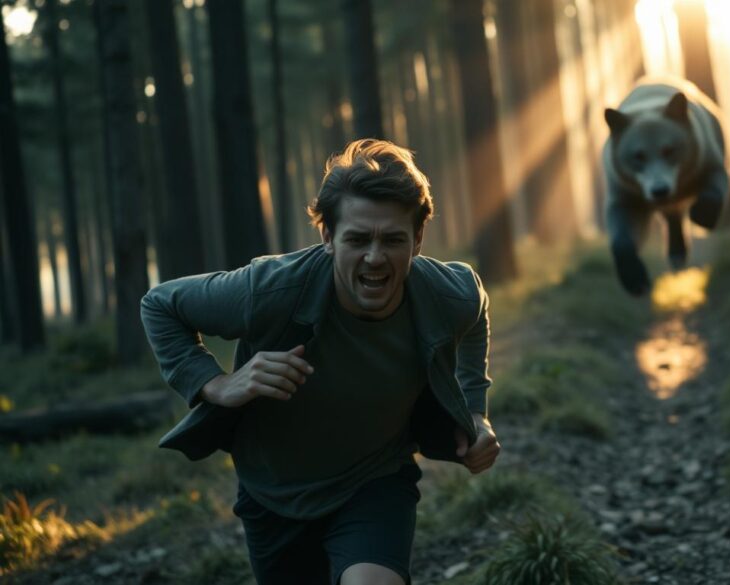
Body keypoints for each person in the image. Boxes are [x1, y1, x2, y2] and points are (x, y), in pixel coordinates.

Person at [140, 139, 501, 585]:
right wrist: (216, 385)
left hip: (375, 481)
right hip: (274, 493)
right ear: (328, 236)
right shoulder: (268, 290)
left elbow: (476, 312)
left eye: (393, 239)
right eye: (357, 238)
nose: (375, 257)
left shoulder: (450, 293)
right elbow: (160, 305)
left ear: (418, 239)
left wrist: (475, 412)